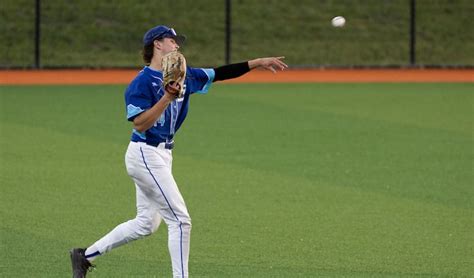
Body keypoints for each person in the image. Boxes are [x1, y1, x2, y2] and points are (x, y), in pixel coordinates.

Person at [70, 25, 287, 278]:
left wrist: (257, 62)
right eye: (172, 41)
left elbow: (220, 73)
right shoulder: (141, 83)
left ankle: (84, 256)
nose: (177, 45)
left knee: (146, 224)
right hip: (145, 154)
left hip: (163, 156)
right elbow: (140, 124)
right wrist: (166, 98)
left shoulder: (184, 76)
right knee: (181, 221)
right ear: (156, 44)